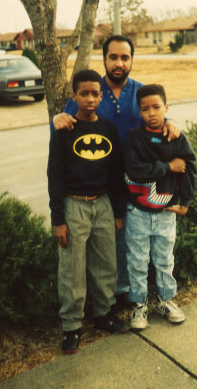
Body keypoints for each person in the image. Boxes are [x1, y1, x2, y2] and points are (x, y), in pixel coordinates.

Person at [53, 35, 181, 310]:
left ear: (132, 60)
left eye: (125, 57)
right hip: (101, 178)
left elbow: (155, 114)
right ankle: (111, 294)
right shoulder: (91, 90)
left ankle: (129, 290)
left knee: (129, 236)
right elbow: (65, 122)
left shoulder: (140, 91)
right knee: (109, 238)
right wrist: (56, 118)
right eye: (113, 57)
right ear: (104, 59)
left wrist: (170, 123)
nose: (119, 63)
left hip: (138, 178)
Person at [47, 69, 129, 354]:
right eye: (84, 93)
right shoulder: (64, 131)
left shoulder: (108, 130)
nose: (90, 99)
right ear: (74, 96)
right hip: (74, 205)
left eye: (96, 93)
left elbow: (116, 173)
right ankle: (71, 326)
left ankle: (104, 314)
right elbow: (54, 176)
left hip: (103, 203)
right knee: (72, 270)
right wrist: (59, 219)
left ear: (101, 95)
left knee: (106, 263)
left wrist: (118, 212)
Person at [123, 84, 196, 330]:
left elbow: (189, 169)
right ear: (139, 112)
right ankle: (139, 305)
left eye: (156, 107)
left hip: (166, 212)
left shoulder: (176, 138)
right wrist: (166, 167)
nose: (151, 113)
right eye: (145, 109)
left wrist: (184, 201)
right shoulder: (134, 139)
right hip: (138, 212)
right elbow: (135, 170)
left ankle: (166, 300)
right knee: (137, 261)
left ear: (166, 107)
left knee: (165, 259)